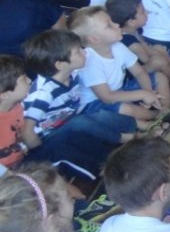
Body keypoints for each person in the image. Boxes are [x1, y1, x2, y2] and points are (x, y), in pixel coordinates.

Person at [22, 29, 138, 173]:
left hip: (69, 123)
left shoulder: (73, 72)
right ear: (60, 65)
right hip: (49, 138)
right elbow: (27, 132)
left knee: (100, 115)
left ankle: (138, 128)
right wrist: (43, 154)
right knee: (80, 122)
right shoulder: (43, 94)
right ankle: (126, 139)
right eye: (78, 51)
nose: (85, 52)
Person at [67, 6, 170, 132]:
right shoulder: (89, 61)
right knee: (125, 109)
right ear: (95, 39)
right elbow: (107, 97)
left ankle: (165, 109)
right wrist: (143, 94)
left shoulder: (118, 46)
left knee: (159, 77)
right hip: (96, 104)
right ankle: (156, 116)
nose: (117, 24)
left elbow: (139, 72)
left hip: (119, 91)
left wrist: (149, 92)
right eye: (109, 25)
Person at [105, 0, 170, 96]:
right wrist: (167, 60)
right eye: (143, 12)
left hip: (142, 68)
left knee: (158, 49)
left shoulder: (134, 31)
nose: (147, 13)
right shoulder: (128, 41)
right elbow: (149, 59)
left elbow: (152, 51)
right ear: (131, 22)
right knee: (157, 60)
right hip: (131, 79)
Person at [0, 55, 31, 169]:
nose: (29, 80)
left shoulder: (16, 106)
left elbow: (20, 135)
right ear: (4, 94)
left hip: (20, 161)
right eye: (23, 79)